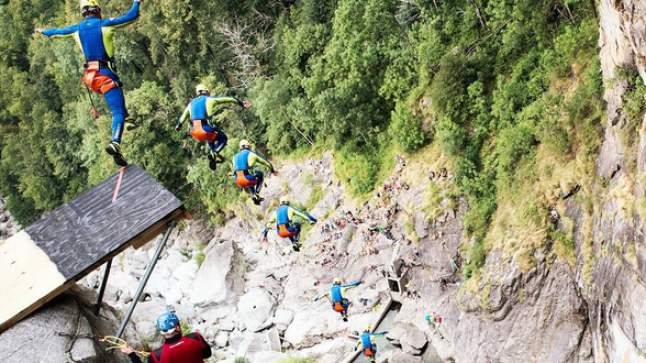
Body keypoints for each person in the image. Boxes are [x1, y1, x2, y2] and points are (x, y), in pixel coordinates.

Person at [36, 0, 141, 167]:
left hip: (92, 78)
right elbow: (132, 16)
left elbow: (57, 32)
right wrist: (136, 2)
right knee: (117, 111)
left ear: (83, 12)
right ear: (97, 9)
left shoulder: (76, 29)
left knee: (119, 101)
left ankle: (128, 121)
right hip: (106, 74)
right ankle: (115, 142)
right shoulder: (104, 25)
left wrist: (44, 31)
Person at [175, 84, 251, 170]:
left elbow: (182, 118)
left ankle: (214, 155)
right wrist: (241, 103)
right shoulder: (209, 99)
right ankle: (214, 153)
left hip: (194, 132)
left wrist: (179, 126)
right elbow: (230, 99)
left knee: (210, 136)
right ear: (206, 92)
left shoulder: (191, 104)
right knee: (223, 138)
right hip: (205, 128)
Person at [120, 310, 211, 363]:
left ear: (161, 332)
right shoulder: (195, 338)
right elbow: (207, 354)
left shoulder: (156, 356)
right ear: (177, 327)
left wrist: (131, 354)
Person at [233, 140, 276, 205]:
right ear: (248, 146)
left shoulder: (234, 157)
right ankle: (256, 194)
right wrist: (272, 171)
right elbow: (267, 163)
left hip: (237, 180)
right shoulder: (251, 154)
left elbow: (237, 169)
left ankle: (254, 196)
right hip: (247, 178)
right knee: (260, 174)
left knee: (250, 178)